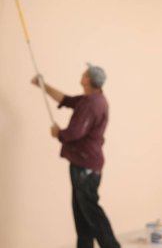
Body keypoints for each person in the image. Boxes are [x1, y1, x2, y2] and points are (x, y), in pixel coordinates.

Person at [31, 63, 121, 248]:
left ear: (88, 80)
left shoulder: (92, 103)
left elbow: (75, 133)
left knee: (91, 213)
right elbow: (66, 99)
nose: (82, 74)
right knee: (82, 215)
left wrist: (58, 133)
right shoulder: (91, 99)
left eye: (84, 73)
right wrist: (43, 85)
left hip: (86, 166)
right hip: (82, 164)